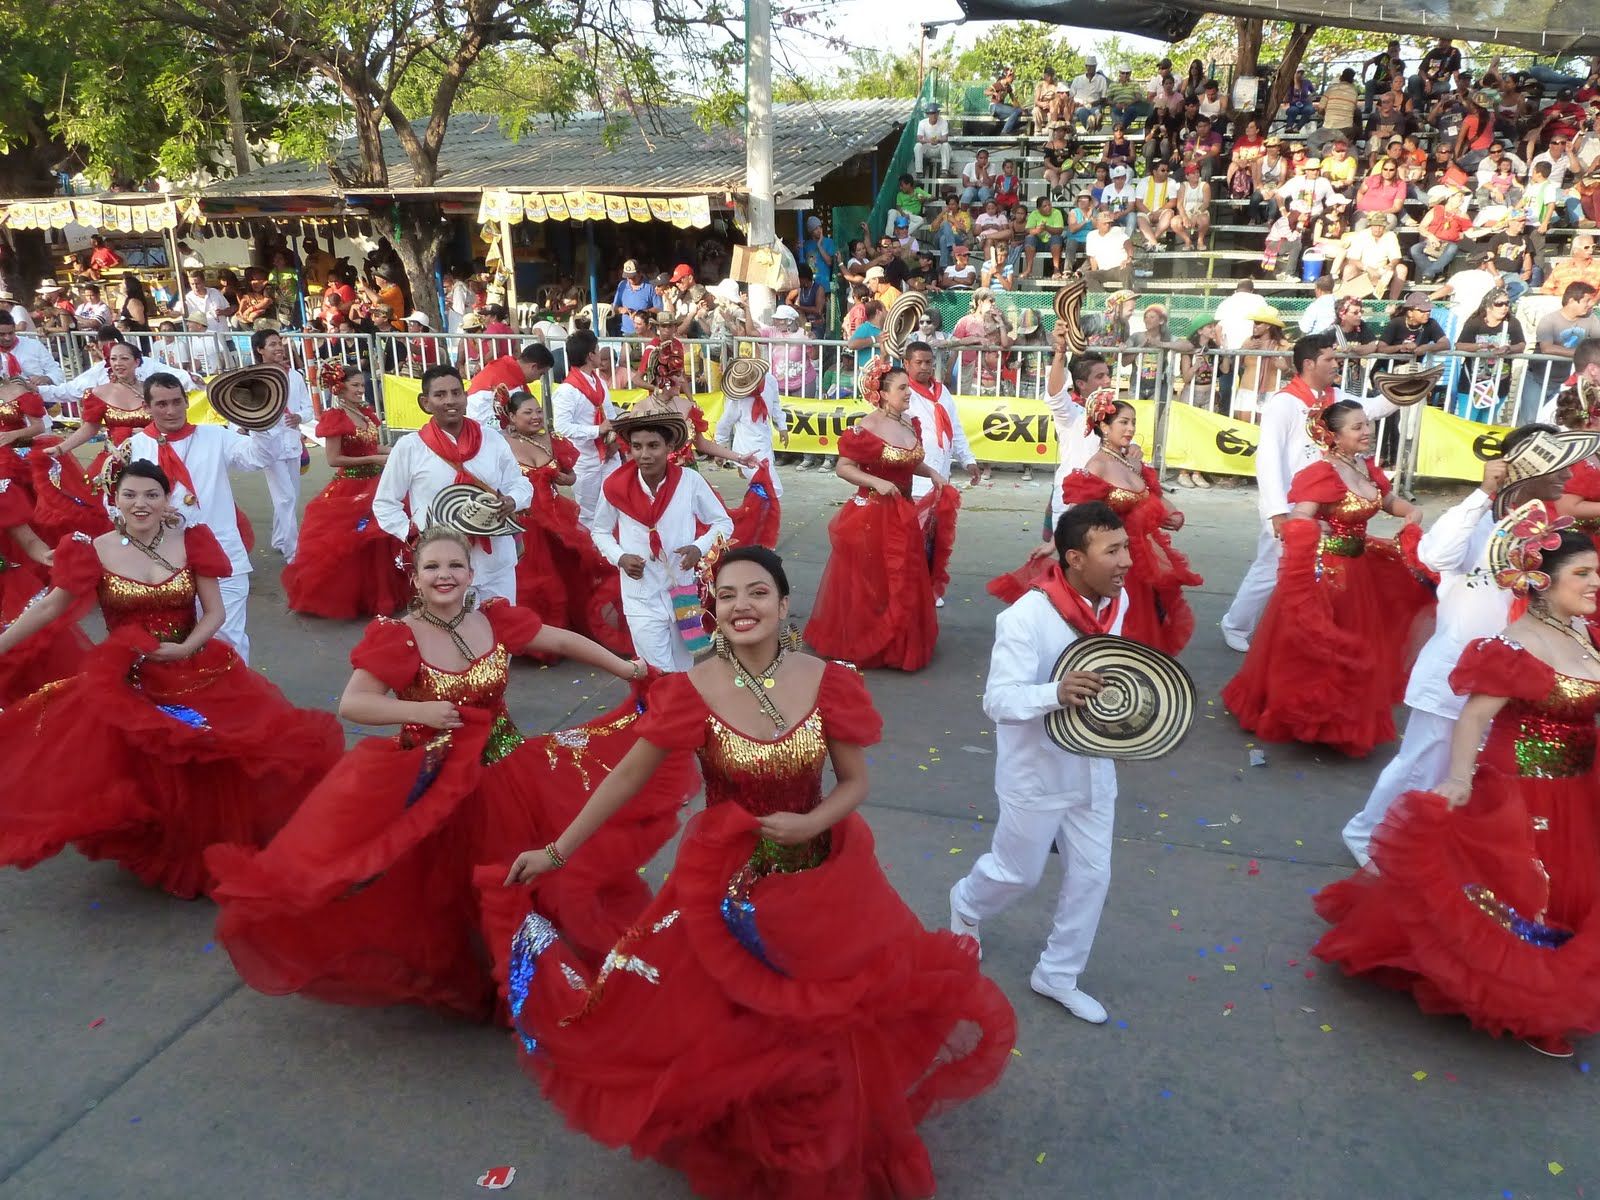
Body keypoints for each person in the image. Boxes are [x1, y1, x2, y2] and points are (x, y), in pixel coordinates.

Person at [492, 544, 1015, 1198]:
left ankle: (821, 1130)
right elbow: (628, 776)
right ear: (711, 609)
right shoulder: (690, 691)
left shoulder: (827, 680)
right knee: (729, 1025)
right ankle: (752, 1139)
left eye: (758, 593)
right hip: (725, 893)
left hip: (821, 882)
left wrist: (811, 822)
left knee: (830, 1020)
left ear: (784, 603)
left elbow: (854, 782)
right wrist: (557, 852)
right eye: (729, 595)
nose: (743, 606)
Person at [208, 524, 693, 1020]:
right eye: (432, 567)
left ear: (471, 572)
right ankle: (492, 971)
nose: (445, 576)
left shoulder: (494, 618)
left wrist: (627, 668)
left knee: (526, 870)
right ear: (414, 578)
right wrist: (419, 713)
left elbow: (562, 641)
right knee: (450, 887)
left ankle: (522, 970)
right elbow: (355, 703)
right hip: (438, 780)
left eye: (454, 566)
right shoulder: (398, 637)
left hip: (509, 771)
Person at [1314, 511, 1600, 1058]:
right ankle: (1530, 997)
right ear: (1544, 580)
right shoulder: (1517, 643)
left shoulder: (1582, 629)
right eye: (1583, 573)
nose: (1594, 584)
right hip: (1524, 788)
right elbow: (1472, 717)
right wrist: (1460, 780)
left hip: (1578, 785)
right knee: (1528, 893)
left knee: (1571, 887)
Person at [0, 460, 344, 897]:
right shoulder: (90, 550)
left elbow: (215, 612)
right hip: (129, 676)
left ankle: (210, 839)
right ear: (114, 500)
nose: (140, 504)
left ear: (167, 499)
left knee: (221, 753)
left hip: (195, 665)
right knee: (139, 763)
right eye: (130, 495)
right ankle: (170, 838)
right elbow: (50, 607)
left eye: (151, 495)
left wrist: (186, 646)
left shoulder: (193, 541)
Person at [1339, 425, 1582, 865]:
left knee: (1473, 770)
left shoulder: (1544, 526)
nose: (1570, 478)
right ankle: (1367, 834)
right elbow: (1435, 556)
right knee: (1422, 762)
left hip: (1509, 672)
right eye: (1561, 467)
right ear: (1530, 468)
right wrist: (1481, 494)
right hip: (1456, 668)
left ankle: (1433, 845)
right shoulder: (1480, 518)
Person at [952, 501, 1131, 1024]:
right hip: (1035, 772)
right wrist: (1056, 692)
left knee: (1093, 876)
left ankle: (1058, 973)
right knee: (1017, 874)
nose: (1126, 562)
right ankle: (966, 903)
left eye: (1126, 548)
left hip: (1095, 767)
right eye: (1113, 550)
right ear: (1074, 557)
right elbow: (998, 701)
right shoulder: (1025, 617)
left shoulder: (1114, 604)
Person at [1224, 399, 1431, 756]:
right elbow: (1301, 513)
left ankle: (1342, 719)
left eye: (1367, 424)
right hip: (1328, 574)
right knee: (1320, 646)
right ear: (1333, 437)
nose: (1366, 431)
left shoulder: (1365, 468)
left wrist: (1410, 511)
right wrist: (1307, 525)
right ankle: (1310, 717)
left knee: (1358, 643)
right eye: (1357, 427)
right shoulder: (1322, 472)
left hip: (1359, 572)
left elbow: (1386, 499)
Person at [1219, 334, 1401, 652]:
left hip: (1330, 501)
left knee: (1321, 570)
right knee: (1272, 567)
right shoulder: (1284, 402)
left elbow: (1372, 409)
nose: (1336, 364)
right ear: (1308, 364)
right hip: (1292, 502)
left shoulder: (1336, 396)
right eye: (1329, 359)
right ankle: (1236, 624)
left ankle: (1313, 631)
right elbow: (1268, 457)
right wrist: (1277, 510)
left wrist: (1405, 389)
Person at [805, 359, 950, 672]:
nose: (908, 393)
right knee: (871, 581)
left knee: (904, 577)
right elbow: (845, 468)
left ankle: (898, 642)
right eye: (901, 388)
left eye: (908, 387)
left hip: (903, 512)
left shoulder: (910, 423)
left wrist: (933, 473)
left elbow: (909, 461)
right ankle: (868, 642)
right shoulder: (866, 427)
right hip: (872, 514)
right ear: (883, 394)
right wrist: (877, 482)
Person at [125, 373, 279, 661]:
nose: (170, 411)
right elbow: (116, 503)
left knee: (227, 639)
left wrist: (261, 421)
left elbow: (259, 458)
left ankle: (236, 701)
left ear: (187, 402)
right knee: (177, 639)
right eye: (161, 404)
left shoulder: (215, 436)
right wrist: (149, 510)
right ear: (146, 407)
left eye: (176, 402)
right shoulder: (134, 447)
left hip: (221, 556)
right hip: (162, 562)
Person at [589, 408, 732, 673]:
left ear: (669, 447)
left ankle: (680, 713)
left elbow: (723, 523)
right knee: (657, 672)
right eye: (637, 446)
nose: (644, 454)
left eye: (653, 445)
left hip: (683, 591)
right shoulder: (614, 486)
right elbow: (600, 531)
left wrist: (699, 548)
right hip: (640, 594)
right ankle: (661, 713)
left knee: (685, 669)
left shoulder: (689, 482)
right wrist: (620, 557)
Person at [373, 364, 531, 604]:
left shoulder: (492, 439)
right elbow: (385, 503)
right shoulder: (410, 447)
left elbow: (518, 482)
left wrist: (513, 500)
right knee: (451, 636)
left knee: (503, 631)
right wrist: (414, 535)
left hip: (495, 560)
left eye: (456, 393)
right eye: (440, 395)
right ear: (425, 403)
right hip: (443, 568)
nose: (450, 401)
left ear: (466, 397)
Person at [281, 363, 408, 619]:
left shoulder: (365, 413)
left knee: (381, 538)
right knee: (351, 542)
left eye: (362, 385)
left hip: (376, 482)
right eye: (355, 385)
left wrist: (399, 451)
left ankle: (376, 594)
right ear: (340, 388)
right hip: (350, 486)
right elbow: (334, 459)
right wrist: (373, 460)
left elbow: (373, 446)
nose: (361, 390)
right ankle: (347, 596)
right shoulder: (336, 416)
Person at [902, 340, 974, 607]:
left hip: (940, 476)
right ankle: (912, 588)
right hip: (914, 477)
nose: (924, 367)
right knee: (912, 539)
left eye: (928, 362)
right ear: (906, 364)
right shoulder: (903, 392)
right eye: (918, 363)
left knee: (933, 538)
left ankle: (929, 588)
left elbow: (954, 428)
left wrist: (968, 460)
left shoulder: (942, 392)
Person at [250, 329, 315, 561]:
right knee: (285, 497)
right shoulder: (253, 379)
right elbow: (245, 411)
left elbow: (308, 409)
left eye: (280, 343)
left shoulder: (295, 376)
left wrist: (299, 417)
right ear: (260, 350)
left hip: (292, 442)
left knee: (291, 495)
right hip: (269, 445)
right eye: (272, 344)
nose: (278, 348)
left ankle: (280, 538)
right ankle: (292, 551)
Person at [551, 329, 621, 524]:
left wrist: (614, 442)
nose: (600, 354)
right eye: (597, 351)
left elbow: (611, 416)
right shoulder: (567, 390)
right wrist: (597, 431)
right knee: (588, 515)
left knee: (616, 504)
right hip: (585, 459)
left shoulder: (600, 383)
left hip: (608, 455)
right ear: (590, 356)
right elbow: (562, 427)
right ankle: (593, 553)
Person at [714, 359, 788, 532]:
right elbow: (724, 425)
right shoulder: (736, 401)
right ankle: (755, 525)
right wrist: (721, 449)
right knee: (772, 488)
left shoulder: (770, 381)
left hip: (765, 444)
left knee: (763, 489)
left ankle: (755, 524)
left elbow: (776, 403)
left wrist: (782, 426)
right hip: (747, 449)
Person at [1453, 289, 1527, 419]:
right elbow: (1459, 345)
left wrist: (1508, 349)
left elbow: (1521, 345)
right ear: (1488, 306)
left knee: (1486, 423)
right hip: (1473, 383)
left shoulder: (1512, 323)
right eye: (1499, 304)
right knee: (1468, 421)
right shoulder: (1475, 322)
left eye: (1507, 303)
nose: (1504, 307)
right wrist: (1481, 346)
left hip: (1499, 383)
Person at [465, 344, 555, 427]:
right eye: (540, 374)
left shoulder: (506, 367)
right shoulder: (510, 385)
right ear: (533, 367)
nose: (538, 379)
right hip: (487, 431)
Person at [1082, 207, 1133, 292]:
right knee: (1089, 275)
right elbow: (1092, 258)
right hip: (1104, 271)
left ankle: (1126, 297)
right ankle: (1102, 300)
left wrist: (1129, 258)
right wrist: (1095, 272)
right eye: (1105, 223)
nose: (1108, 225)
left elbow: (1128, 243)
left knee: (1127, 269)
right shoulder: (1091, 236)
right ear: (1097, 224)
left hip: (1120, 268)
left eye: (1109, 223)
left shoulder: (1117, 230)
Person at [911, 101, 951, 175]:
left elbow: (945, 138)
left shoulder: (943, 122)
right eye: (931, 113)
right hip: (927, 148)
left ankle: (944, 170)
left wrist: (938, 140)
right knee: (917, 146)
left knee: (946, 145)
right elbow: (919, 138)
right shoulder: (922, 123)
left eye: (935, 113)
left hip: (939, 148)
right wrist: (929, 140)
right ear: (927, 115)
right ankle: (919, 171)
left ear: (938, 113)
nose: (933, 115)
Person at [987, 65, 1022, 134]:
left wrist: (1020, 108)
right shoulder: (998, 84)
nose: (1013, 79)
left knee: (1018, 112)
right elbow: (986, 92)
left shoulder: (1008, 87)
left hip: (1001, 109)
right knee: (1016, 111)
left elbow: (1013, 99)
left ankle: (1011, 130)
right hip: (994, 107)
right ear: (1008, 77)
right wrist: (994, 93)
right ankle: (1005, 131)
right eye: (1013, 78)